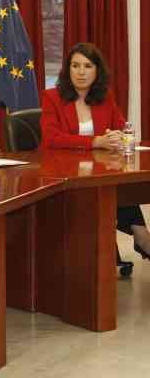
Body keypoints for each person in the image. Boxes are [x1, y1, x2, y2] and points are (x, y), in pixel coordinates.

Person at [41, 42, 150, 258]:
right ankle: (142, 238)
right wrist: (96, 142)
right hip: (62, 174)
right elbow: (52, 139)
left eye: (88, 66)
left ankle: (140, 236)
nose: (81, 72)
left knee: (115, 185)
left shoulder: (104, 97)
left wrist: (118, 136)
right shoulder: (52, 97)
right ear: (68, 69)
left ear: (97, 70)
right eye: (75, 65)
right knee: (107, 188)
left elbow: (120, 125)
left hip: (99, 170)